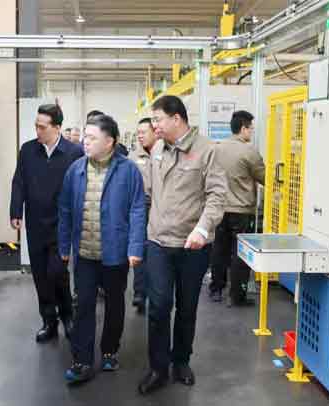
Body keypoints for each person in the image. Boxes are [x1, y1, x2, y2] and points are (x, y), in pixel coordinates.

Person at [138, 95, 226, 395]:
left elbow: (217, 196)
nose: (154, 126)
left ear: (177, 118)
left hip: (193, 246)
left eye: (158, 119)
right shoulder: (157, 149)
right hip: (158, 242)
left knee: (187, 307)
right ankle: (158, 367)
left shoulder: (208, 150)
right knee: (159, 305)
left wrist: (202, 229)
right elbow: (147, 193)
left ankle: (181, 361)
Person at [58, 114, 145, 384]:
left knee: (115, 304)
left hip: (115, 254)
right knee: (83, 305)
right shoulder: (75, 170)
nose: (85, 141)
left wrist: (135, 247)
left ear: (109, 142)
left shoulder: (128, 171)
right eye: (85, 136)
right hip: (84, 254)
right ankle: (82, 360)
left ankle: (109, 350)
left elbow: (137, 210)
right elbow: (65, 209)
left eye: (91, 137)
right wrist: (64, 246)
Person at [10, 104, 84, 343]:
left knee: (58, 273)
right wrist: (15, 211)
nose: (38, 131)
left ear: (57, 128)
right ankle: (48, 321)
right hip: (35, 223)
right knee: (40, 275)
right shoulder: (28, 150)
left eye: (42, 127)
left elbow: (80, 188)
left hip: (61, 225)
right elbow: (19, 181)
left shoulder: (74, 153)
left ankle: (67, 317)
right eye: (36, 126)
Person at [209, 111, 265, 306]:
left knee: (219, 250)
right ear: (243, 128)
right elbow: (264, 177)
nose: (251, 132)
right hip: (242, 211)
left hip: (219, 209)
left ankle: (216, 289)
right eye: (251, 128)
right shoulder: (249, 152)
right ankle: (237, 295)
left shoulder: (216, 149)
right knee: (240, 254)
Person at [129, 117, 158, 313]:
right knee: (140, 249)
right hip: (141, 206)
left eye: (143, 132)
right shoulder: (133, 157)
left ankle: (156, 293)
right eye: (138, 132)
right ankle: (139, 293)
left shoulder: (164, 154)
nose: (140, 135)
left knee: (156, 252)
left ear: (155, 132)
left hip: (161, 207)